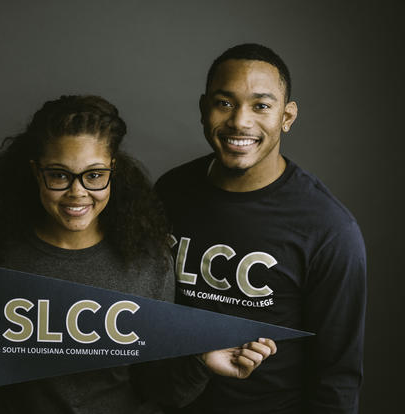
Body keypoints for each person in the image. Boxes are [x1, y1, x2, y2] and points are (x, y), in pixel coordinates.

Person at [0, 94, 277, 413]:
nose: (77, 193)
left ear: (112, 172)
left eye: (94, 175)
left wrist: (201, 363)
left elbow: (160, 388)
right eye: (59, 175)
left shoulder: (148, 261)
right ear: (36, 172)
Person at [155, 44, 367, 414]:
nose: (240, 121)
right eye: (224, 103)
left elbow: (338, 376)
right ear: (204, 109)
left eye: (261, 106)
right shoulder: (171, 190)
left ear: (287, 117)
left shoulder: (329, 229)